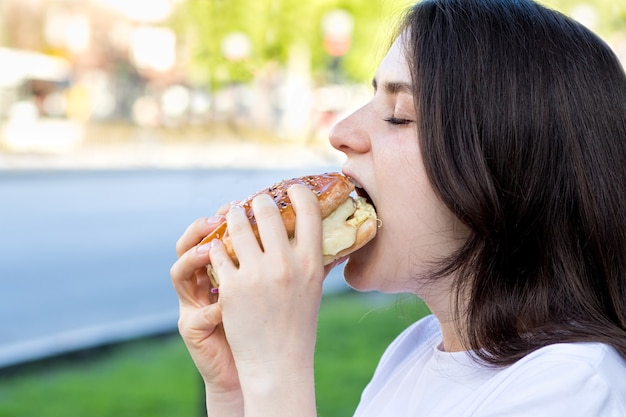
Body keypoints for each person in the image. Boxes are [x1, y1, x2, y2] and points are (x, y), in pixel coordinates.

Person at [170, 0, 626, 415]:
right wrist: (238, 389)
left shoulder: (575, 387)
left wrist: (277, 370)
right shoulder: (414, 350)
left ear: (510, 162)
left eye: (399, 115)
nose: (342, 132)